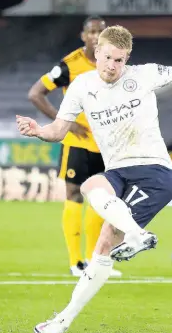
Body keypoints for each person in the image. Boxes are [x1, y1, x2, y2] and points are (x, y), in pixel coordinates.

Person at [16, 25, 172, 333]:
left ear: (128, 58)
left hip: (155, 173)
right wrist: (38, 131)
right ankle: (66, 317)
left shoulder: (143, 74)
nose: (113, 66)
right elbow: (59, 131)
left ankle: (129, 239)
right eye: (109, 58)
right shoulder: (81, 86)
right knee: (90, 193)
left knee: (101, 232)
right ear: (97, 52)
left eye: (120, 60)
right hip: (119, 170)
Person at [28, 16, 120, 277]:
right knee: (74, 195)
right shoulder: (70, 65)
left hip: (105, 145)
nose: (96, 35)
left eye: (100, 31)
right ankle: (75, 261)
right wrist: (64, 122)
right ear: (84, 36)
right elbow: (35, 93)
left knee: (101, 199)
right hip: (77, 143)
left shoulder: (115, 63)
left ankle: (95, 261)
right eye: (91, 31)